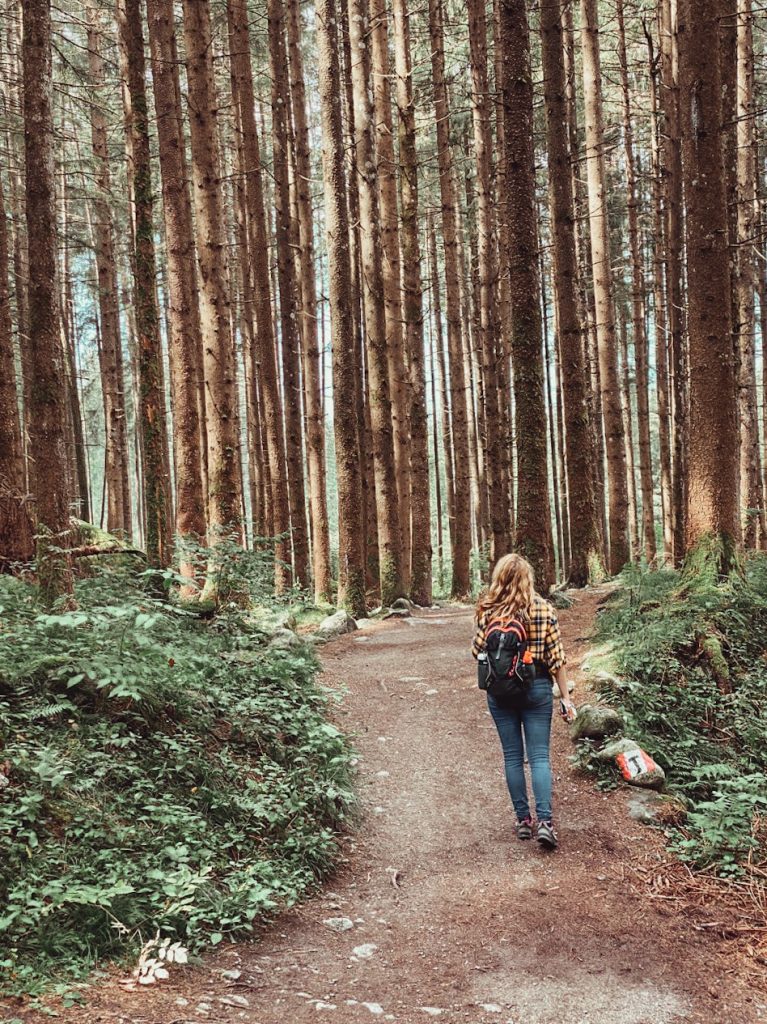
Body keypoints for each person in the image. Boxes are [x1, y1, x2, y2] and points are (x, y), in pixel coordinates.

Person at [471, 553, 576, 850]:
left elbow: (476, 650)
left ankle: (523, 821)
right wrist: (566, 699)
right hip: (538, 688)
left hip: (499, 693)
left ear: (499, 579)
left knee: (513, 757)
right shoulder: (543, 608)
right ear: (527, 579)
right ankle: (545, 823)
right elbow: (558, 659)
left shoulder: (488, 612)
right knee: (540, 757)